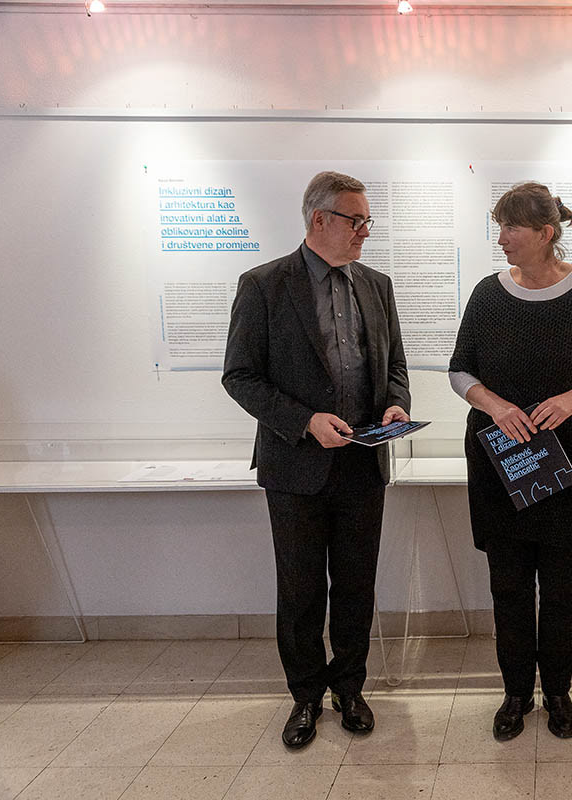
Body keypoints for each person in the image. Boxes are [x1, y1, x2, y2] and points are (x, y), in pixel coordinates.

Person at [222, 171, 410, 749]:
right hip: (295, 467)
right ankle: (305, 695)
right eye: (357, 221)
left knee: (356, 586)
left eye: (368, 221)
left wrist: (396, 404)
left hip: (362, 464)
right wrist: (306, 421)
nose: (365, 232)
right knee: (301, 589)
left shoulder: (377, 285)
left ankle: (349, 689)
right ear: (319, 220)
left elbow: (395, 365)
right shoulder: (263, 286)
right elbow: (240, 377)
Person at [448, 182, 572, 742]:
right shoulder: (488, 294)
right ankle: (514, 694)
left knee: (560, 589)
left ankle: (557, 693)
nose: (501, 238)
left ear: (546, 233)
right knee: (507, 588)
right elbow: (460, 370)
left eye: (511, 227)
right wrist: (496, 406)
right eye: (500, 226)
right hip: (503, 464)